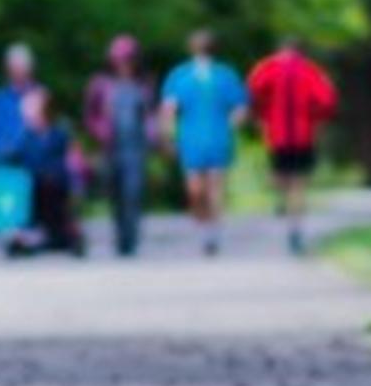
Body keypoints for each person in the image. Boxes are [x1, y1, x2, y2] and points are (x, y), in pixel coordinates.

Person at [159, 29, 250, 254]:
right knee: (195, 191)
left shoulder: (225, 75)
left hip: (217, 138)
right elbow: (169, 109)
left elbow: (241, 106)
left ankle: (211, 236)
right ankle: (204, 225)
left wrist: (230, 125)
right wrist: (169, 136)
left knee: (215, 188)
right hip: (190, 140)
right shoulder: (179, 75)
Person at [246, 37, 338, 256]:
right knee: (299, 181)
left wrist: (261, 115)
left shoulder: (267, 67)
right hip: (302, 134)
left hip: (276, 134)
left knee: (281, 175)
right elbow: (327, 99)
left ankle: (282, 200)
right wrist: (318, 118)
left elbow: (251, 92)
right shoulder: (310, 70)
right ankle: (295, 225)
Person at [82, 34, 158, 259]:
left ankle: (131, 237)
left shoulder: (143, 84)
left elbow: (149, 115)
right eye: (120, 59)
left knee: (132, 191)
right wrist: (99, 131)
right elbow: (90, 115)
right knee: (115, 192)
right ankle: (120, 234)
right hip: (110, 146)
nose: (124, 64)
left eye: (128, 59)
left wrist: (153, 134)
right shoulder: (100, 84)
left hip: (135, 146)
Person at [5, 86, 86, 258]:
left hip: (56, 184)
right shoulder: (25, 138)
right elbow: (14, 159)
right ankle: (31, 235)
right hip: (34, 186)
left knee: (53, 188)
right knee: (32, 189)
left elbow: (73, 160)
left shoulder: (59, 134)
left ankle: (64, 232)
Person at [0, 42, 43, 167]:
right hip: (0, 164)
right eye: (13, 66)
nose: (17, 70)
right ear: (7, 69)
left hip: (32, 166)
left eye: (21, 66)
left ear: (30, 69)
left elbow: (47, 135)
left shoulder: (41, 96)